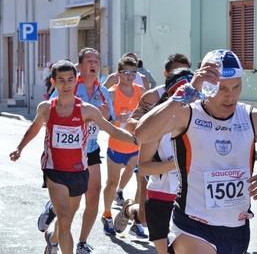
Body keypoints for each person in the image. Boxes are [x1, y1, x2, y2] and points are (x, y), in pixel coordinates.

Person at [134, 49, 257, 254]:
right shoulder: (187, 114)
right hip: (192, 226)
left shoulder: (253, 118)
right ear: (206, 84)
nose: (230, 96)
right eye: (222, 88)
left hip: (237, 229)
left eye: (236, 87)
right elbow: (142, 134)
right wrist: (185, 94)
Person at [9, 60, 137, 254]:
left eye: (70, 80)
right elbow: (34, 128)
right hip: (54, 170)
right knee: (65, 219)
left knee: (67, 216)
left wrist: (137, 140)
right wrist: (19, 148)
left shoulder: (87, 110)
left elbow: (112, 130)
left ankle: (52, 239)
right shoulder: (46, 108)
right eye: (61, 80)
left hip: (78, 170)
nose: (66, 85)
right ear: (54, 82)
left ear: (75, 80)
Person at [38, 48, 115, 254]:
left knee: (94, 195)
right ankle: (54, 230)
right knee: (70, 210)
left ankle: (81, 242)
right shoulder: (69, 84)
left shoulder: (103, 92)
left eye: (96, 61)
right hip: (67, 153)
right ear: (79, 66)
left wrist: (107, 117)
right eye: (88, 61)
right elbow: (52, 110)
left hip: (90, 150)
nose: (93, 64)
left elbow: (111, 122)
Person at [114, 68, 194, 253]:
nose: (191, 98)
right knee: (143, 218)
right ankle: (129, 210)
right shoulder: (156, 123)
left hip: (193, 201)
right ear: (172, 93)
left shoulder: (201, 120)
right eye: (184, 92)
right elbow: (142, 167)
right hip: (162, 200)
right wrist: (176, 163)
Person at [101, 56, 145, 236]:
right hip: (116, 145)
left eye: (133, 72)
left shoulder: (140, 91)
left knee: (141, 184)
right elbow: (103, 119)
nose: (130, 76)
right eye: (126, 72)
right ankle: (107, 215)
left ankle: (136, 220)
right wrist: (115, 119)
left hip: (136, 144)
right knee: (111, 183)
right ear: (118, 74)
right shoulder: (111, 93)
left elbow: (148, 113)